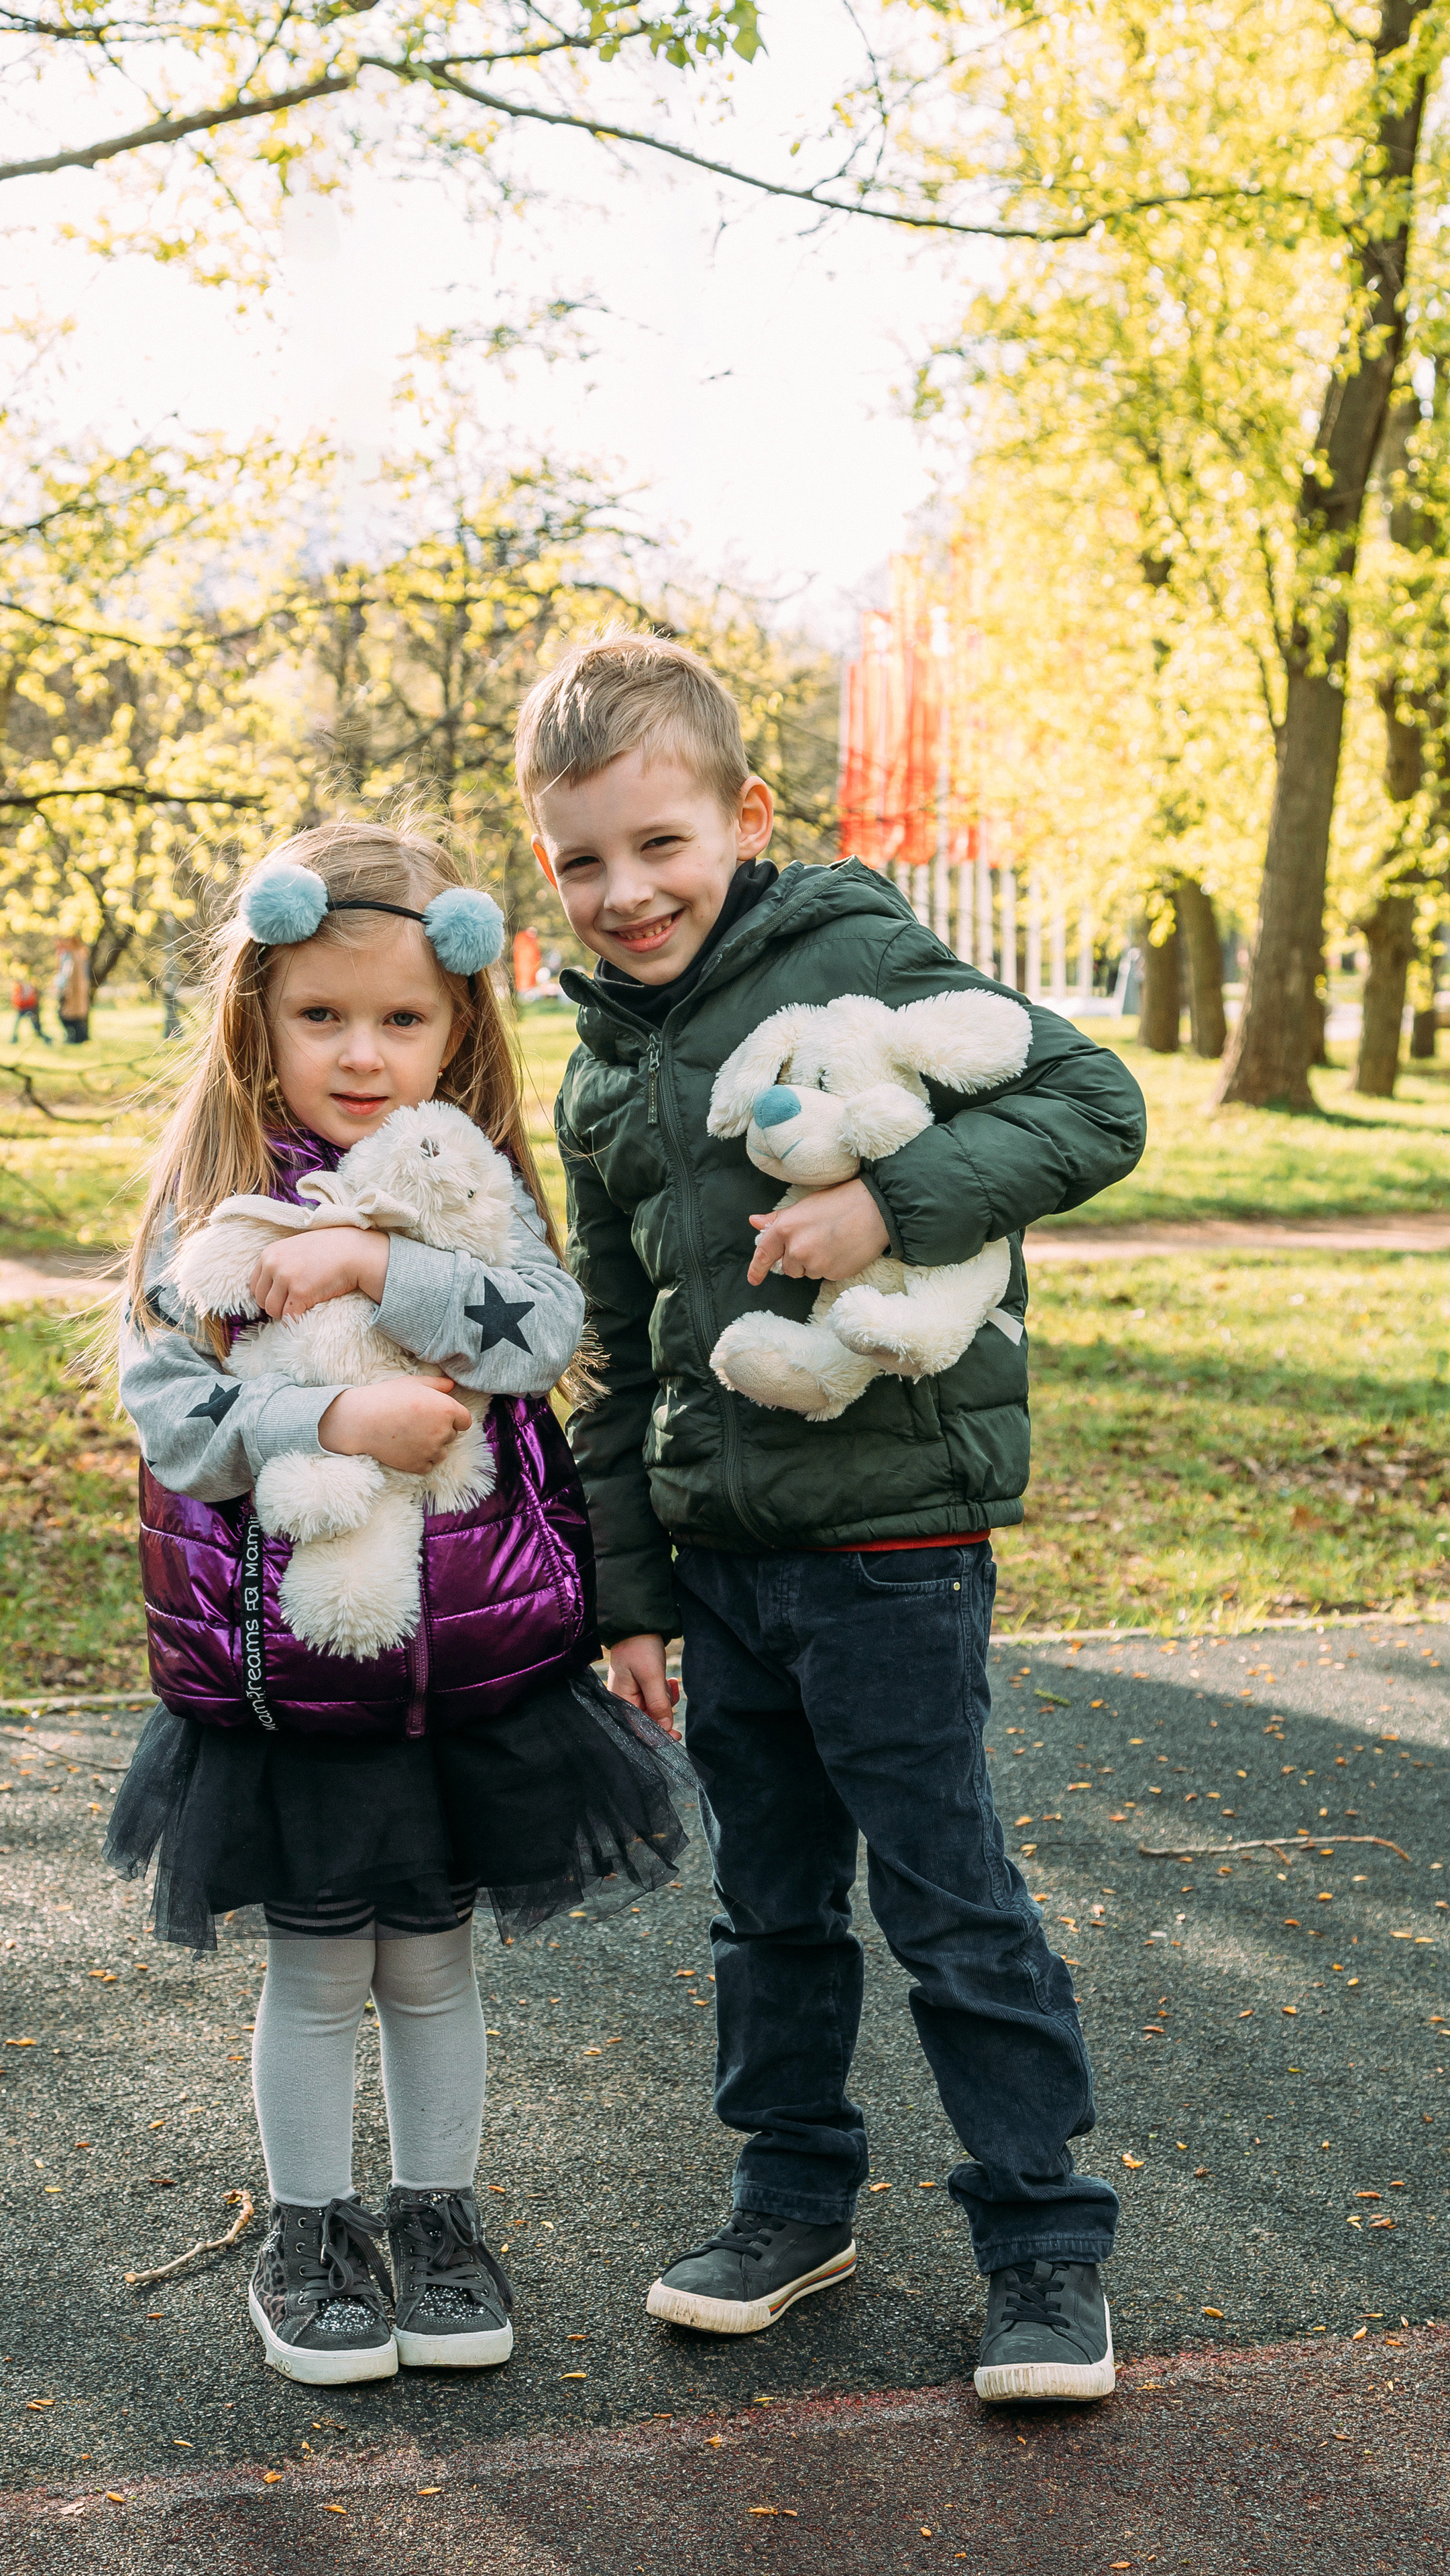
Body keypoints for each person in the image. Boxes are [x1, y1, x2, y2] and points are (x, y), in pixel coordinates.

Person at [517, 632, 1146, 2404]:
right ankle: (792, 2202)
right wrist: (620, 1597)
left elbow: (1095, 1106)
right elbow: (620, 1352)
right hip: (717, 1571)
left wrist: (893, 1205)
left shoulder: (859, 953)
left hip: (891, 1546)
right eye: (581, 859)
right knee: (768, 1910)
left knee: (949, 1899)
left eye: (661, 844)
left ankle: (1044, 2245)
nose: (625, 891)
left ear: (744, 818)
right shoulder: (597, 1070)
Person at [102, 818, 691, 2390]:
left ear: (459, 1024)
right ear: (257, 1020)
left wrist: (379, 1256)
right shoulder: (214, 1212)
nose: (361, 1054)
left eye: (401, 1018)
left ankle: (436, 2218)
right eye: (320, 1016)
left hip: (478, 1680)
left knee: (430, 1963)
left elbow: (539, 1331)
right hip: (293, 1686)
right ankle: (310, 2230)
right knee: (317, 1971)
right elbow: (172, 1420)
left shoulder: (470, 1196)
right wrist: (323, 1422)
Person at [56, 936, 91, 1043]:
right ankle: (77, 1038)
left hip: (73, 991)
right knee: (73, 1016)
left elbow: (70, 975)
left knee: (67, 1016)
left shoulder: (74, 956)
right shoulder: (76, 955)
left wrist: (66, 989)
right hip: (76, 991)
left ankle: (78, 1038)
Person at [10, 974, 49, 1044]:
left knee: (35, 1024)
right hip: (22, 1009)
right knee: (17, 1023)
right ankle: (14, 1038)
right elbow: (16, 1000)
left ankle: (43, 1037)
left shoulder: (31, 987)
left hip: (29, 1009)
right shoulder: (19, 988)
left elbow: (33, 1000)